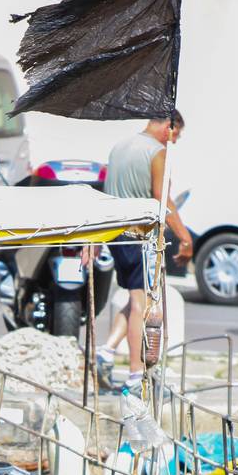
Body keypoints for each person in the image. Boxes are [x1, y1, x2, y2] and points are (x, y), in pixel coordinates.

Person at [99, 111, 189, 386]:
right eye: (176, 135)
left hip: (114, 232)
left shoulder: (120, 147)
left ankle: (107, 350)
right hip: (138, 234)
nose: (173, 142)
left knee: (133, 297)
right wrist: (185, 237)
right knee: (142, 305)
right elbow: (162, 198)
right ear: (168, 127)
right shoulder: (156, 152)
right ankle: (136, 374)